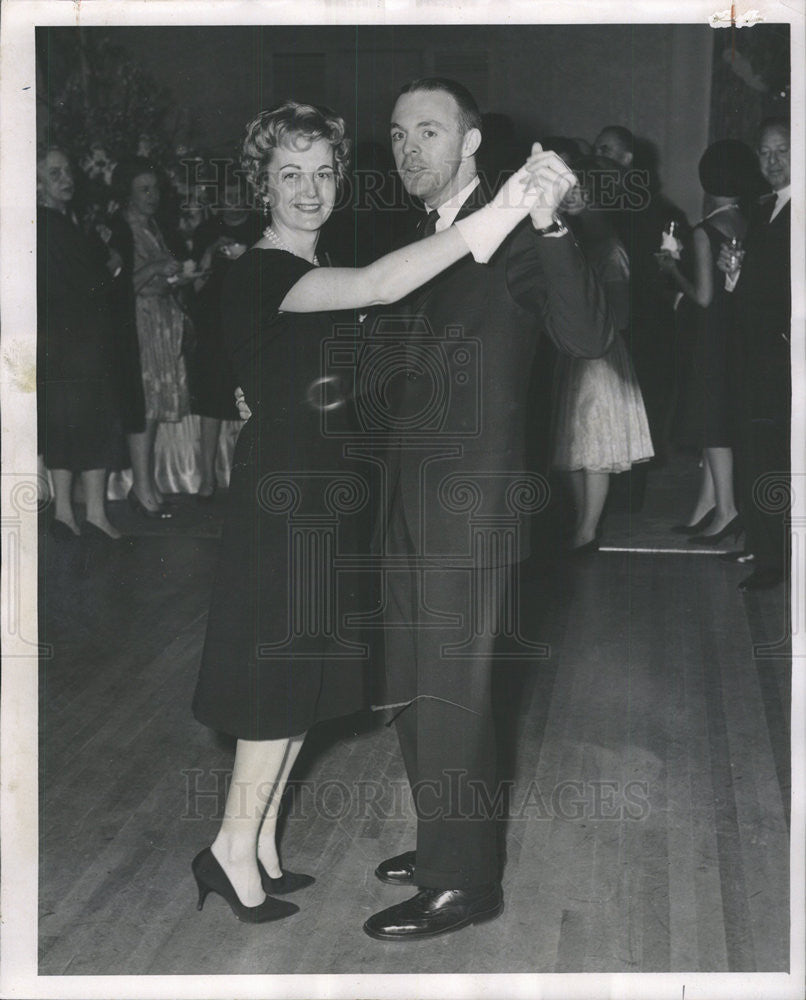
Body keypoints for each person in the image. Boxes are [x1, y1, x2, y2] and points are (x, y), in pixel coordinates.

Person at [191, 100, 562, 923]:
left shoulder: (312, 272)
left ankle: (254, 847)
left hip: (329, 502)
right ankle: (227, 848)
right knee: (274, 691)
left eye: (323, 172)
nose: (310, 189)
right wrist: (505, 207)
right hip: (284, 506)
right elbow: (381, 283)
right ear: (262, 184)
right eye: (290, 174)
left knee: (299, 690)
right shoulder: (262, 271)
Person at [363, 79, 612, 941]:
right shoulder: (419, 237)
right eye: (397, 135)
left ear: (471, 143)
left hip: (472, 505)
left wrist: (548, 222)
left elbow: (584, 335)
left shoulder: (514, 235)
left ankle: (463, 882)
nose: (408, 149)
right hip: (403, 497)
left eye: (428, 131)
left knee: (455, 688)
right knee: (412, 681)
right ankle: (444, 835)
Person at [658, 140, 759, 545]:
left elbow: (702, 296)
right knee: (714, 421)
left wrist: (671, 270)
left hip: (710, 336)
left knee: (712, 424)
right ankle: (706, 504)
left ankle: (727, 511)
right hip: (735, 333)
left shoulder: (705, 230)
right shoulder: (746, 221)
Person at [551, 156, 653, 552]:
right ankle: (582, 521)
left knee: (595, 446)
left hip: (601, 355)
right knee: (569, 445)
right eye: (568, 189)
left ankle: (588, 528)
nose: (572, 196)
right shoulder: (563, 235)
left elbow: (622, 314)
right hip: (571, 352)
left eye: (580, 189)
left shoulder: (609, 245)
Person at [36, 147, 124, 542]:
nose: (66, 178)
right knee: (90, 425)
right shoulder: (52, 225)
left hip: (63, 342)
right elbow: (88, 282)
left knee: (69, 427)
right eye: (55, 173)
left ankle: (72, 514)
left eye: (67, 170)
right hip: (78, 342)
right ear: (37, 183)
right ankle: (89, 515)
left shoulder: (55, 223)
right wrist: (111, 265)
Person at [717, 118, 791, 590]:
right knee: (756, 451)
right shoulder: (765, 207)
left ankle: (776, 558)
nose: (773, 160)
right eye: (765, 153)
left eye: (782, 150)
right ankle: (764, 547)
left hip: (780, 354)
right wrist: (733, 273)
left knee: (773, 456)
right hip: (755, 353)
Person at [108, 158, 193, 519]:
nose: (152, 195)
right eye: (144, 189)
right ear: (127, 193)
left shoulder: (153, 226)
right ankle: (143, 490)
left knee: (155, 406)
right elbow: (116, 286)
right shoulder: (120, 229)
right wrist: (158, 268)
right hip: (138, 326)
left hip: (160, 322)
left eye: (155, 188)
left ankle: (146, 486)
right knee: (143, 408)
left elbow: (156, 278)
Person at [189, 171, 262, 499]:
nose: (232, 202)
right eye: (226, 196)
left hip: (252, 323)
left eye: (238, 195)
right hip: (213, 327)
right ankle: (206, 479)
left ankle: (247, 481)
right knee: (210, 403)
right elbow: (195, 285)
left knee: (251, 399)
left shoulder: (263, 227)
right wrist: (209, 253)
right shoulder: (207, 230)